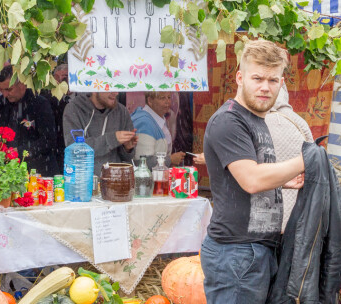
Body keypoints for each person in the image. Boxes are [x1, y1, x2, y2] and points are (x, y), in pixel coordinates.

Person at [200, 39, 305, 303]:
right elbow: (251, 180)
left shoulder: (256, 119)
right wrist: (308, 159)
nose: (264, 87)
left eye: (272, 80)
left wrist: (281, 182)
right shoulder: (228, 120)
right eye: (257, 78)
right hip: (235, 254)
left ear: (281, 84)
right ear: (240, 77)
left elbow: (241, 178)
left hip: (256, 252)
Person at [0, 65, 59, 176]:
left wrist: (20, 151)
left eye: (8, 89)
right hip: (10, 171)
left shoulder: (40, 103)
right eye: (2, 90)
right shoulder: (2, 102)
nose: (5, 94)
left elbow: (49, 140)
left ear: (22, 84)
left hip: (39, 171)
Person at [264, 83, 313, 232]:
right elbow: (312, 155)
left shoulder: (258, 122)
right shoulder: (299, 122)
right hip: (296, 192)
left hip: (266, 193)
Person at [62, 92, 137, 176]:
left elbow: (127, 159)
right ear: (95, 89)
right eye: (109, 88)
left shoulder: (122, 111)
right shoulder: (74, 109)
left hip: (114, 181)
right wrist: (112, 139)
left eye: (117, 88)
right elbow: (75, 150)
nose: (115, 93)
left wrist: (127, 148)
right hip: (83, 182)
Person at [131, 91, 186, 169]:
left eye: (169, 97)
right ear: (150, 101)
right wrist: (170, 159)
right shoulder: (144, 122)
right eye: (162, 98)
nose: (167, 102)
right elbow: (143, 161)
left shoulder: (158, 118)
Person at [40, 64, 72, 174]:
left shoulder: (84, 99)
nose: (67, 81)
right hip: (55, 150)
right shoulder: (46, 100)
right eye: (64, 77)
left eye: (69, 77)